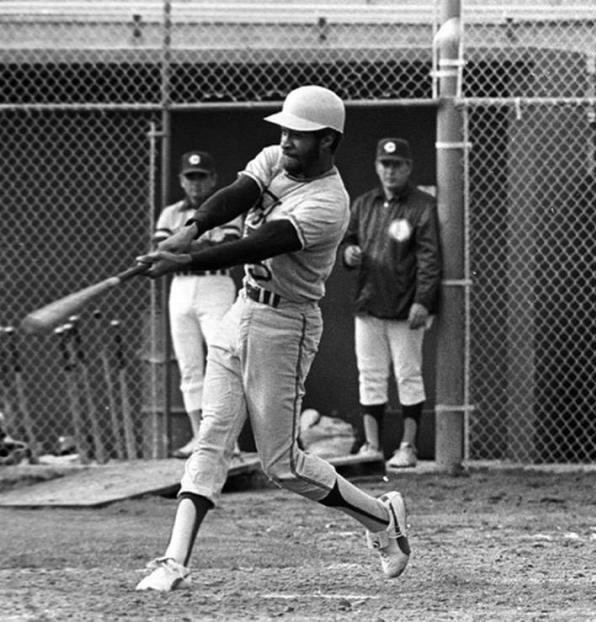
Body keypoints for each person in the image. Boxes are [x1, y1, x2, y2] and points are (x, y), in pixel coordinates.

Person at [132, 85, 410, 591]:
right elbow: (238, 193)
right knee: (212, 436)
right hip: (241, 310)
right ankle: (173, 560)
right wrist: (190, 229)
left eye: (298, 135)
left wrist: (186, 261)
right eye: (284, 130)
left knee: (282, 465)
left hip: (287, 325)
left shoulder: (328, 203)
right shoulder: (276, 158)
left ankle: (381, 519)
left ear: (328, 142)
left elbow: (259, 242)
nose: (286, 140)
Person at [340, 138, 441, 469]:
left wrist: (423, 300)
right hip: (368, 302)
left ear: (408, 167)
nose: (390, 170)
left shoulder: (421, 204)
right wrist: (349, 253)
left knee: (408, 374)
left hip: (404, 306)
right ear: (376, 166)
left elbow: (429, 258)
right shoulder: (364, 203)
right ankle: (372, 447)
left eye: (397, 165)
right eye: (385, 164)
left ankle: (407, 447)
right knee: (369, 373)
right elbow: (349, 240)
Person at [153, 151, 242, 458]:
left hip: (216, 285)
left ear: (213, 179)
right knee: (190, 366)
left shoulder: (227, 207)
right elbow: (162, 249)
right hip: (180, 287)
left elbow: (228, 247)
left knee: (222, 360)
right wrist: (201, 246)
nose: (196, 183)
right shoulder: (170, 213)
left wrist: (186, 247)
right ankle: (198, 437)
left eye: (202, 176)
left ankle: (229, 440)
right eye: (191, 177)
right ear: (181, 180)